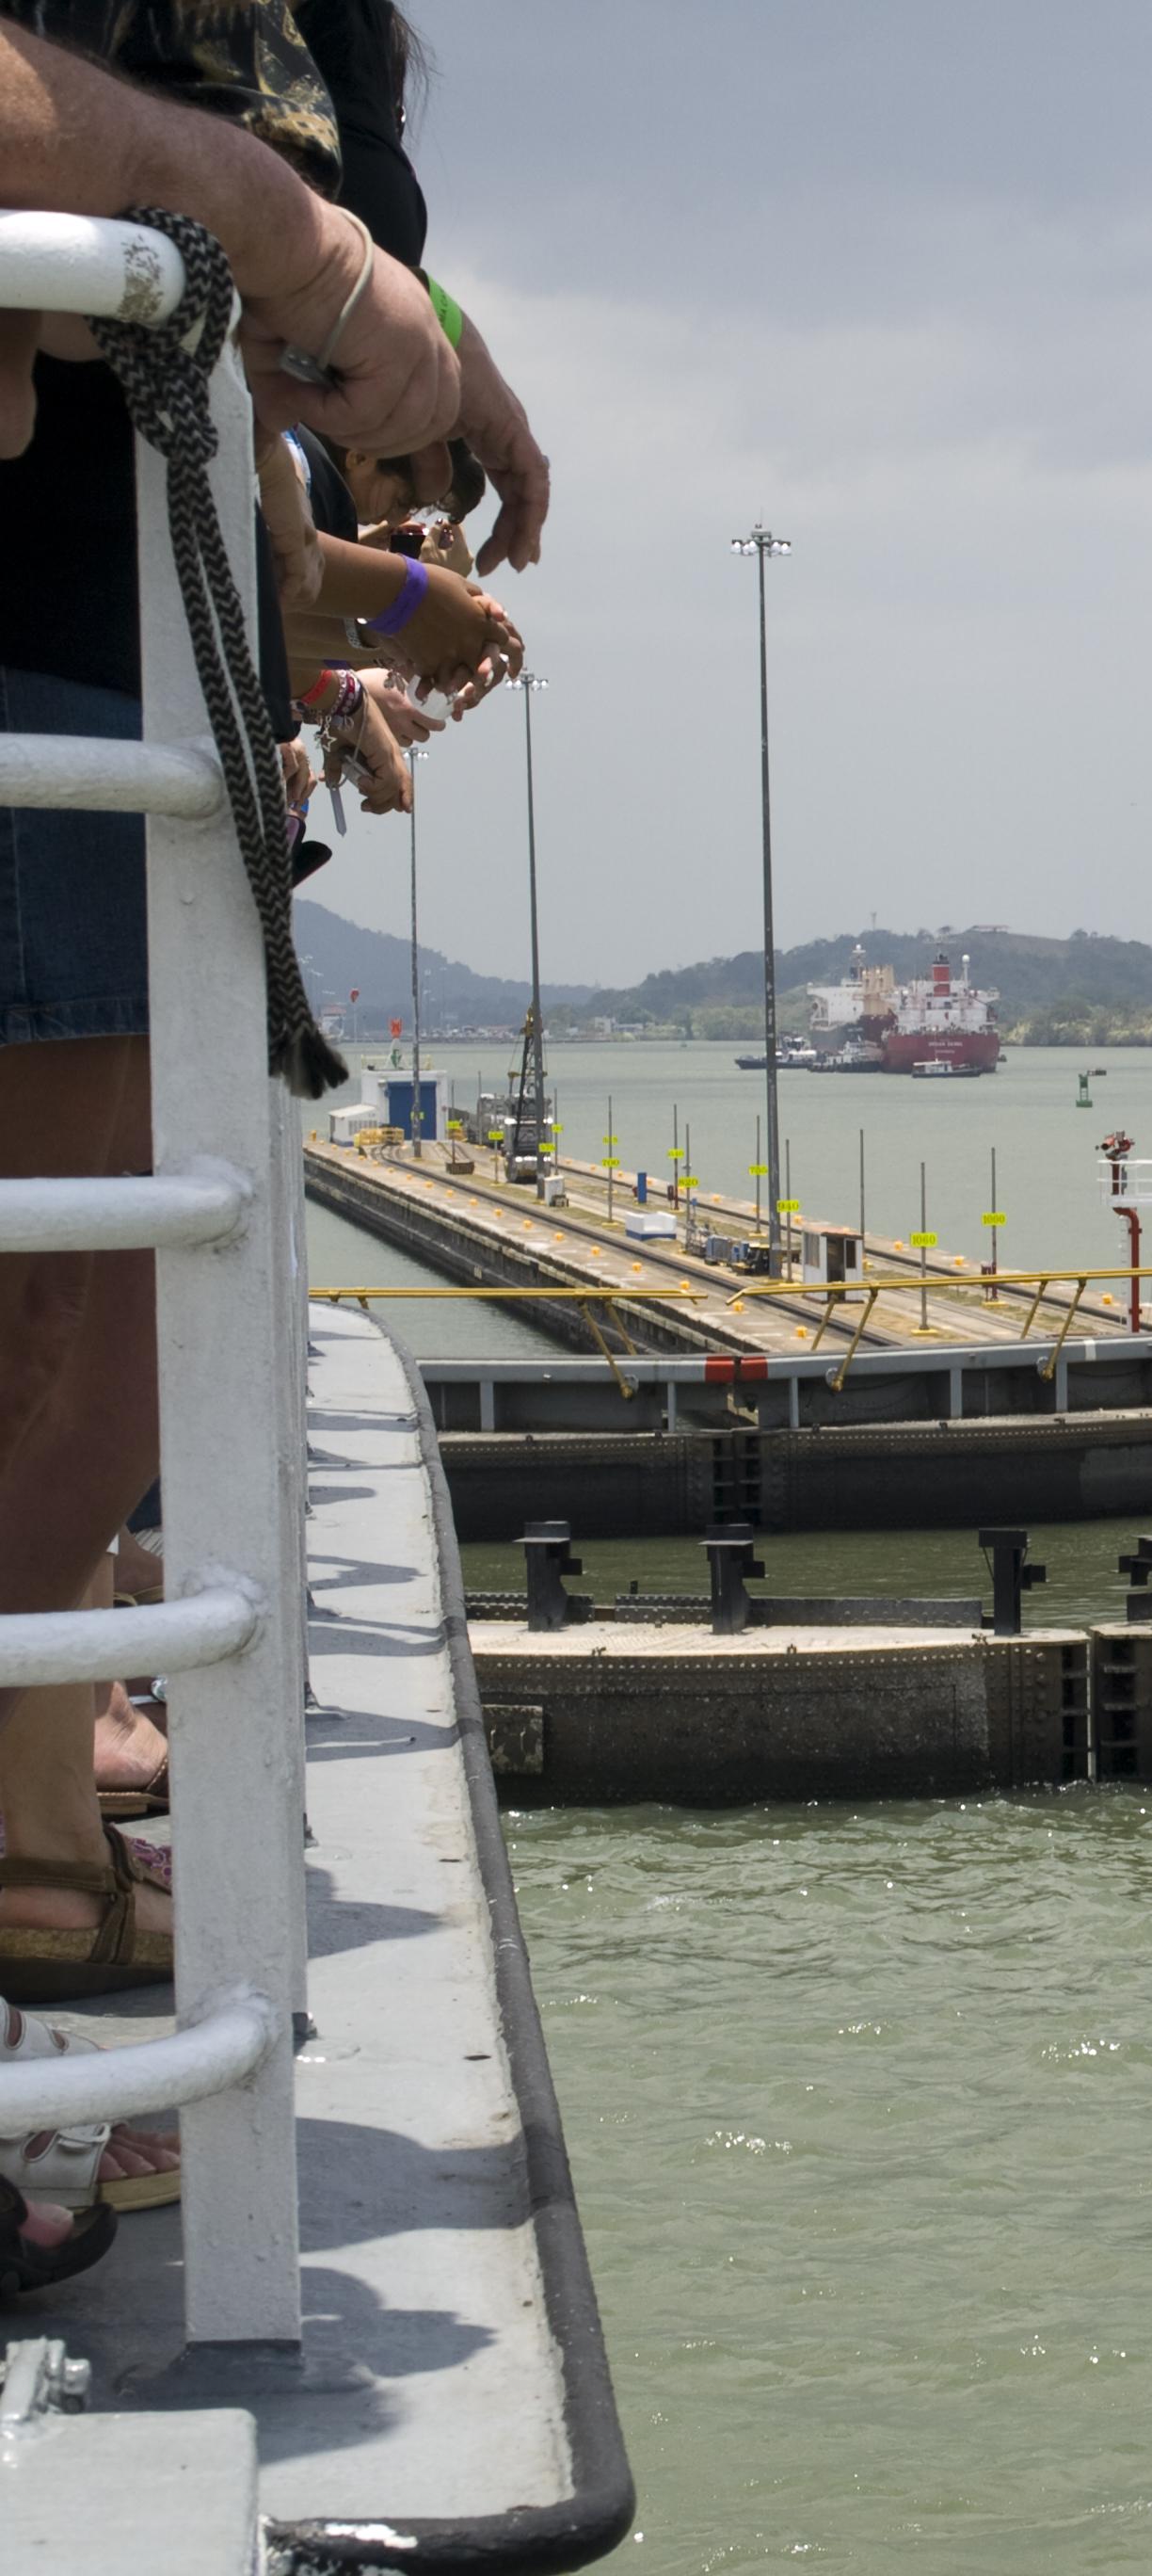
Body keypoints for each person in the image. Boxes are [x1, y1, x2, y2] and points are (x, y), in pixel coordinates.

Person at [0, 8, 461, 2024]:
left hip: (120, 679)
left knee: (90, 1344)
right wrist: (330, 266)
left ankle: (33, 1848)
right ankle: (28, 1856)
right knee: (80, 1359)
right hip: (75, 690)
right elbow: (225, 303)